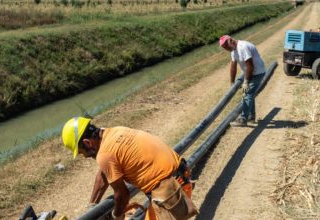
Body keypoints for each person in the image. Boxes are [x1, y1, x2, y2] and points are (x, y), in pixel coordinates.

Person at [61, 117, 198, 220]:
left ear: (87, 143)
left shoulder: (104, 155)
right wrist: (92, 206)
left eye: (81, 152)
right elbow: (103, 175)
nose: (84, 156)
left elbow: (123, 195)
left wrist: (116, 215)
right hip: (182, 175)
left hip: (169, 194)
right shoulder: (114, 132)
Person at [219, 35, 266, 126]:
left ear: (231, 41)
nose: (227, 49)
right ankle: (251, 118)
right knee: (248, 94)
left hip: (258, 72)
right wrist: (232, 82)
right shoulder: (233, 50)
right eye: (225, 48)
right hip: (251, 72)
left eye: (227, 47)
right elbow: (233, 66)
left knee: (247, 94)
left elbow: (250, 66)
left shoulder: (243, 47)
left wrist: (246, 81)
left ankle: (243, 119)